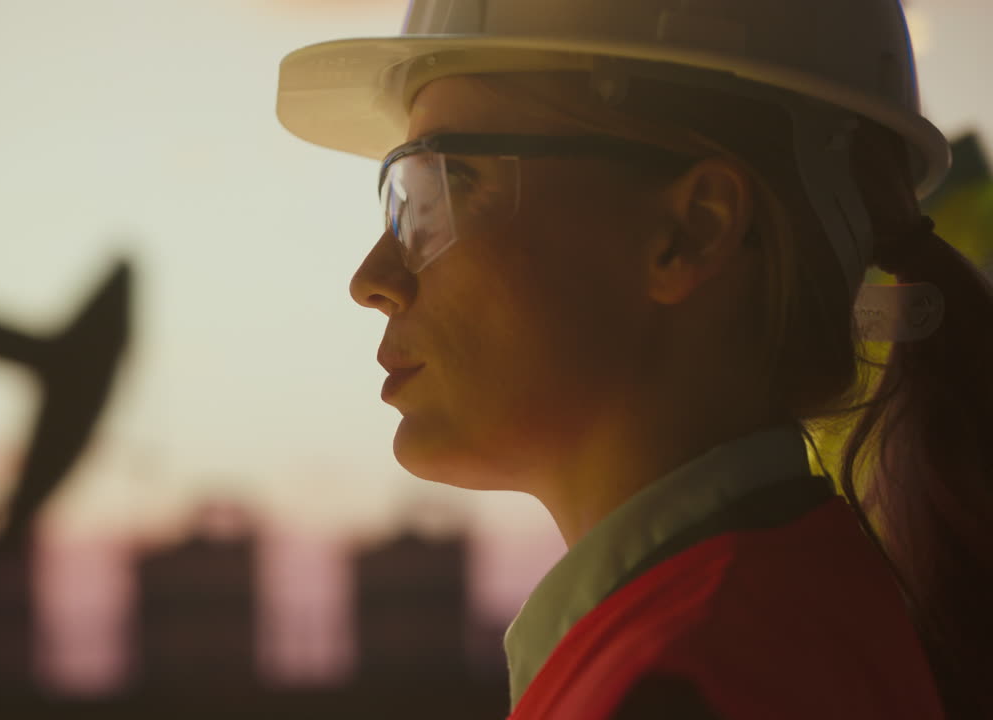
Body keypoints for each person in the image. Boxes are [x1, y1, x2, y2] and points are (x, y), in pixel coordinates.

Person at [277, 1, 993, 719]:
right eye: (399, 202)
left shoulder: (685, 681)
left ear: (690, 229)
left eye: (445, 185)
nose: (372, 279)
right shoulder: (769, 628)